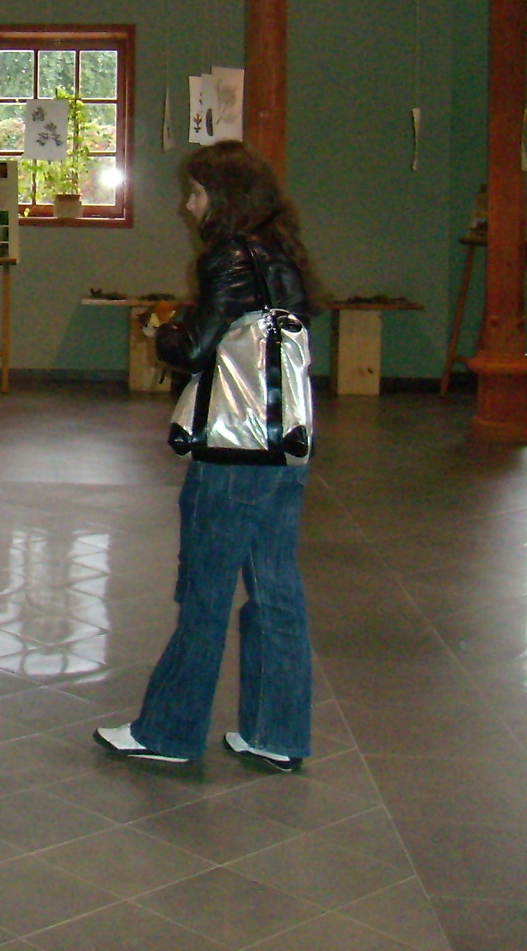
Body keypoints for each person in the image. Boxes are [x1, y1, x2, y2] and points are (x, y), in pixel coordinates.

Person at [96, 139, 319, 773]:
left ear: (222, 197)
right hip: (283, 445)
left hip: (231, 449)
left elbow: (195, 349)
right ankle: (276, 734)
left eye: (194, 193)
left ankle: (169, 732)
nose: (187, 206)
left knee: (205, 592)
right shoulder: (284, 254)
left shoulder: (229, 256)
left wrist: (161, 330)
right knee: (276, 588)